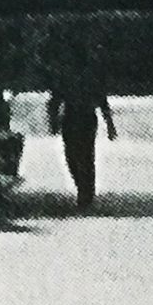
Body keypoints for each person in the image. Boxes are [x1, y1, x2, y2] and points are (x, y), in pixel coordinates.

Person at [46, 65, 116, 213]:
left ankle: (86, 193)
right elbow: (55, 100)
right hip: (72, 118)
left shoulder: (90, 78)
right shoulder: (65, 78)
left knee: (85, 155)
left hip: (84, 117)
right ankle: (83, 188)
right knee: (73, 155)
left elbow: (102, 101)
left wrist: (109, 123)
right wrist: (52, 120)